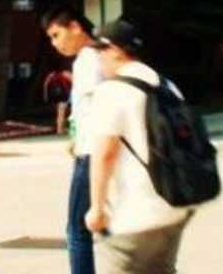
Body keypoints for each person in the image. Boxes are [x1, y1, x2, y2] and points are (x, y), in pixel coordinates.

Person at [85, 20, 192, 274]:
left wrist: (97, 208)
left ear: (115, 51)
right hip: (173, 204)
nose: (99, 59)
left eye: (100, 52)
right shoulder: (167, 86)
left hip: (134, 212)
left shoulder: (111, 91)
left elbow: (105, 154)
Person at [42, 7, 101, 274]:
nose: (55, 44)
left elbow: (98, 109)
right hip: (103, 151)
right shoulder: (107, 53)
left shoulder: (88, 59)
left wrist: (80, 140)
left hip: (92, 155)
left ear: (75, 27)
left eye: (56, 34)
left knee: (77, 230)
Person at [43, 68, 73, 134]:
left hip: (57, 96)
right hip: (66, 95)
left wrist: (46, 96)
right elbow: (75, 83)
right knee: (73, 112)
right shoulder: (66, 73)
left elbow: (45, 85)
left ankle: (59, 129)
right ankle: (66, 129)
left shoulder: (51, 75)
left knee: (60, 113)